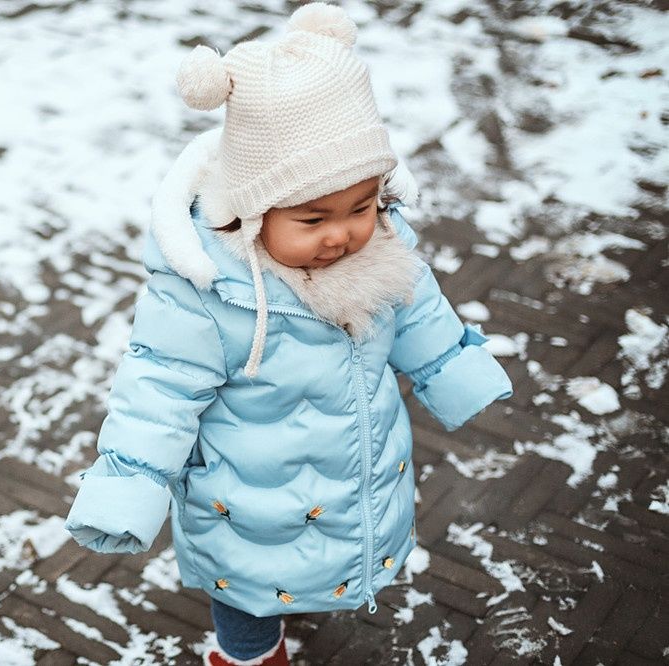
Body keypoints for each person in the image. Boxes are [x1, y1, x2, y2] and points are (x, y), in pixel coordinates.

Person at [64, 3, 514, 664]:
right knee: (247, 589)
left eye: (361, 206)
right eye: (313, 218)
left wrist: (451, 368)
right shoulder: (205, 292)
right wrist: (129, 485)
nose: (343, 232)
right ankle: (245, 654)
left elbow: (417, 310)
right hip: (244, 500)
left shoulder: (379, 245)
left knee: (326, 557)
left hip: (353, 475)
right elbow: (157, 386)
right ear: (251, 209)